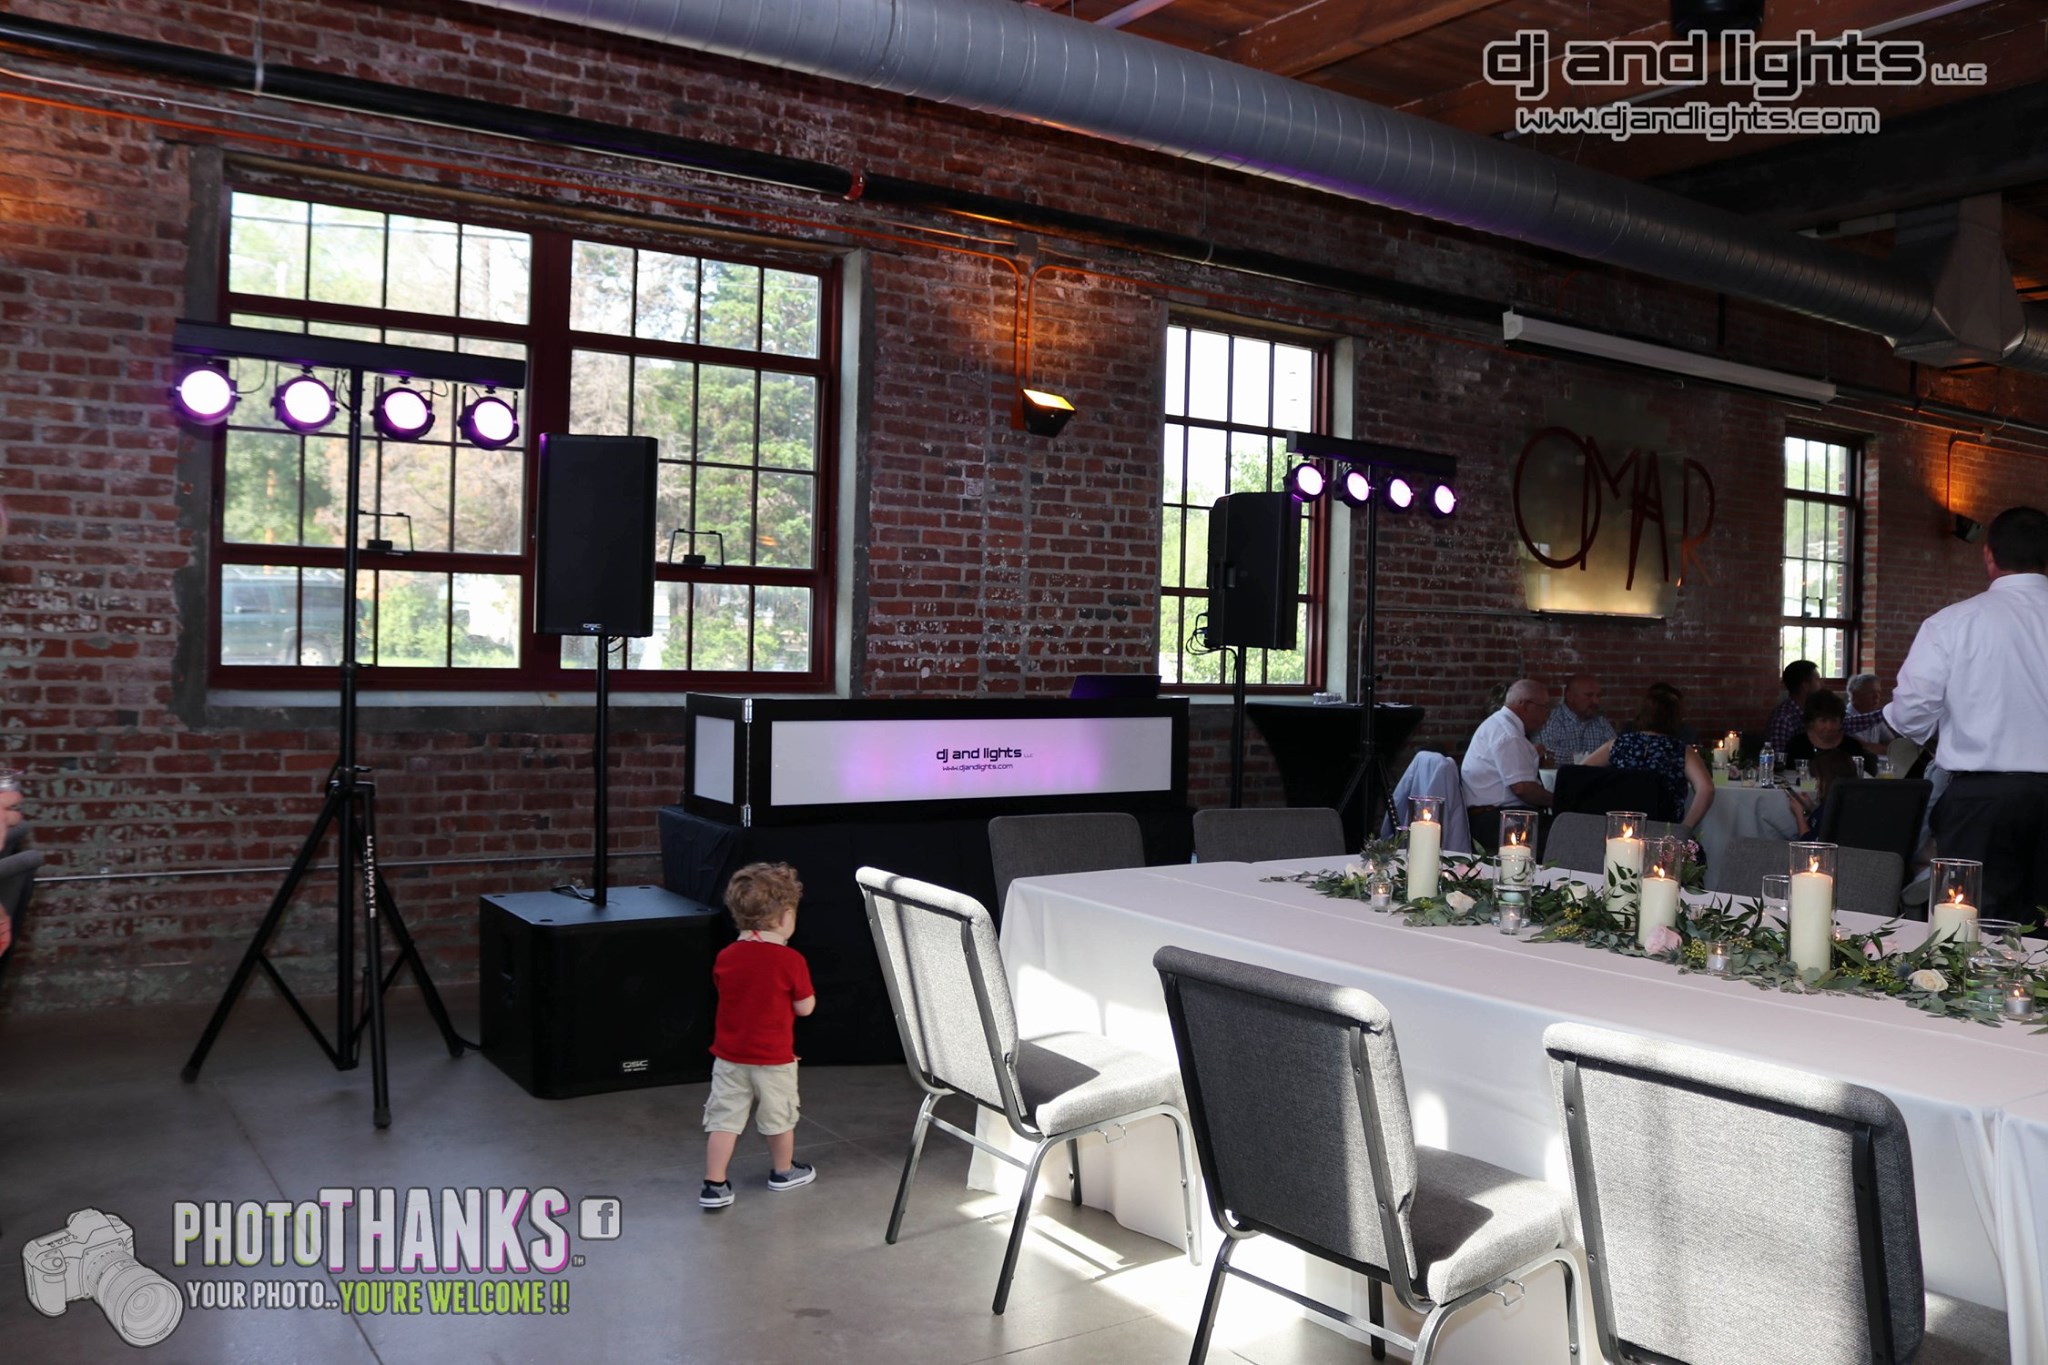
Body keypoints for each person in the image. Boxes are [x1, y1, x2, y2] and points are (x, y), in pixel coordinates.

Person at [1885, 506, 2048, 927]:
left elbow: (1910, 715)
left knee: (1972, 927)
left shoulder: (1953, 623)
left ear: (1988, 554)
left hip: (1982, 802)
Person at [701, 861, 818, 1209]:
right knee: (778, 1117)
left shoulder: (726, 956)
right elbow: (804, 1008)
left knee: (724, 1119)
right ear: (784, 917)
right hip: (774, 1060)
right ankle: (783, 1171)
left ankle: (714, 1184)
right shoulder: (790, 960)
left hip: (729, 1057)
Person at [1582, 683, 1714, 829]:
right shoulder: (1681, 750)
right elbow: (1706, 789)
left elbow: (1579, 773)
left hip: (1620, 827)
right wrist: (1685, 827)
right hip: (1663, 829)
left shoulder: (1617, 744)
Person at [1461, 679, 1552, 848]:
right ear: (1525, 705)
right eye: (1545, 707)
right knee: (1569, 835)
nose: (1547, 715)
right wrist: (1558, 801)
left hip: (1492, 817)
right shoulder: (1509, 734)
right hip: (1499, 822)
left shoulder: (1500, 724)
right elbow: (1522, 788)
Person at [1781, 689, 1879, 773]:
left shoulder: (1852, 747)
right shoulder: (1797, 745)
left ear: (1841, 721)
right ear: (1811, 722)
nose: (1829, 726)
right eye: (1823, 721)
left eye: (1834, 721)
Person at [1535, 673, 1616, 765]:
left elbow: (1618, 753)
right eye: (1589, 695)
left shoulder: (1601, 723)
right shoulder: (1551, 721)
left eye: (1598, 696)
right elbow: (1547, 756)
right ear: (1570, 696)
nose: (1596, 701)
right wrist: (1599, 758)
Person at [1766, 659, 1822, 750]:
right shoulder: (1783, 719)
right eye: (1817, 680)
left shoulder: (1815, 711)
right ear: (1805, 685)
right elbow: (1778, 756)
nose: (1821, 684)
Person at [1843, 672, 1896, 746]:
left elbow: (1893, 743)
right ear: (1855, 696)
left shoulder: (1874, 717)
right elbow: (1862, 747)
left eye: (1878, 692)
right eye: (1871, 692)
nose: (1877, 697)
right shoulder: (1845, 718)